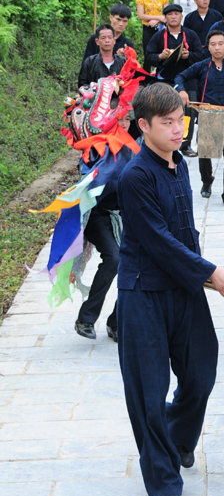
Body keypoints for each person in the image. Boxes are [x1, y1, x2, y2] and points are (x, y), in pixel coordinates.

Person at [117, 83, 224, 496]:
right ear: (143, 126)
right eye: (166, 123)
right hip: (144, 292)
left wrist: (208, 273)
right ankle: (163, 476)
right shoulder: (134, 177)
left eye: (179, 120)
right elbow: (159, 241)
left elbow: (185, 235)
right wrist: (210, 274)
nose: (176, 129)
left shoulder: (177, 166)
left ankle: (179, 437)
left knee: (201, 372)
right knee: (148, 391)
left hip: (184, 290)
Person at [175, 29, 224, 207]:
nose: (217, 47)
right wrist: (181, 90)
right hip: (208, 116)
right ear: (208, 47)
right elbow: (180, 76)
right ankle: (206, 181)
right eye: (213, 44)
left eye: (220, 43)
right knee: (204, 153)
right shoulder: (202, 66)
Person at [74, 113, 133, 343]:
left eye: (128, 119)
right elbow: (87, 181)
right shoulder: (97, 146)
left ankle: (117, 322)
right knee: (115, 258)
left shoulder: (132, 146)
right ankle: (86, 318)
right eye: (120, 119)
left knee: (135, 260)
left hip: (121, 215)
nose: (125, 124)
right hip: (96, 215)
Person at [145, 4, 205, 86]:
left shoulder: (191, 34)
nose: (173, 17)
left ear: (181, 17)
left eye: (176, 14)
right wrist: (160, 56)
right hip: (165, 79)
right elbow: (148, 56)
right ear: (165, 18)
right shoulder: (158, 36)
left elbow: (201, 55)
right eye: (170, 14)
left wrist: (189, 55)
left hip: (188, 79)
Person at [136, 0, 169, 68]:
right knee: (147, 53)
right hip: (148, 28)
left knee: (161, 52)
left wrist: (157, 20)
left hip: (160, 27)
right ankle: (146, 77)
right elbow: (141, 15)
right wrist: (158, 18)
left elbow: (167, 14)